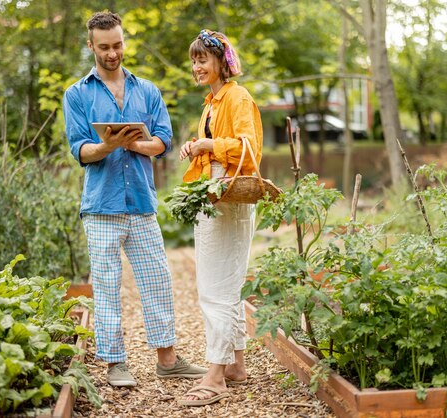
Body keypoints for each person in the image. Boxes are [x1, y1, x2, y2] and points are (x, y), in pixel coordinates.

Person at [62, 11, 207, 388]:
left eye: (118, 45)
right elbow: (80, 151)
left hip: (141, 203)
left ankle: (168, 359)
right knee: (107, 286)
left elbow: (163, 141)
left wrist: (137, 143)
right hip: (101, 206)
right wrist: (108, 145)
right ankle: (115, 364)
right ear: (91, 46)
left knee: (157, 280)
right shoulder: (77, 94)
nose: (113, 53)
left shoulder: (147, 90)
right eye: (105, 47)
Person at [177, 29, 263, 407]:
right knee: (224, 282)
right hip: (213, 190)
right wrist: (195, 148)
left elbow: (249, 146)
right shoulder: (211, 103)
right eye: (194, 60)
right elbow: (214, 151)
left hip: (229, 193)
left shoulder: (237, 96)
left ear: (220, 62)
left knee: (216, 288)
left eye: (203, 59)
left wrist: (210, 145)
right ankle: (235, 366)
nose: (197, 66)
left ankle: (214, 375)